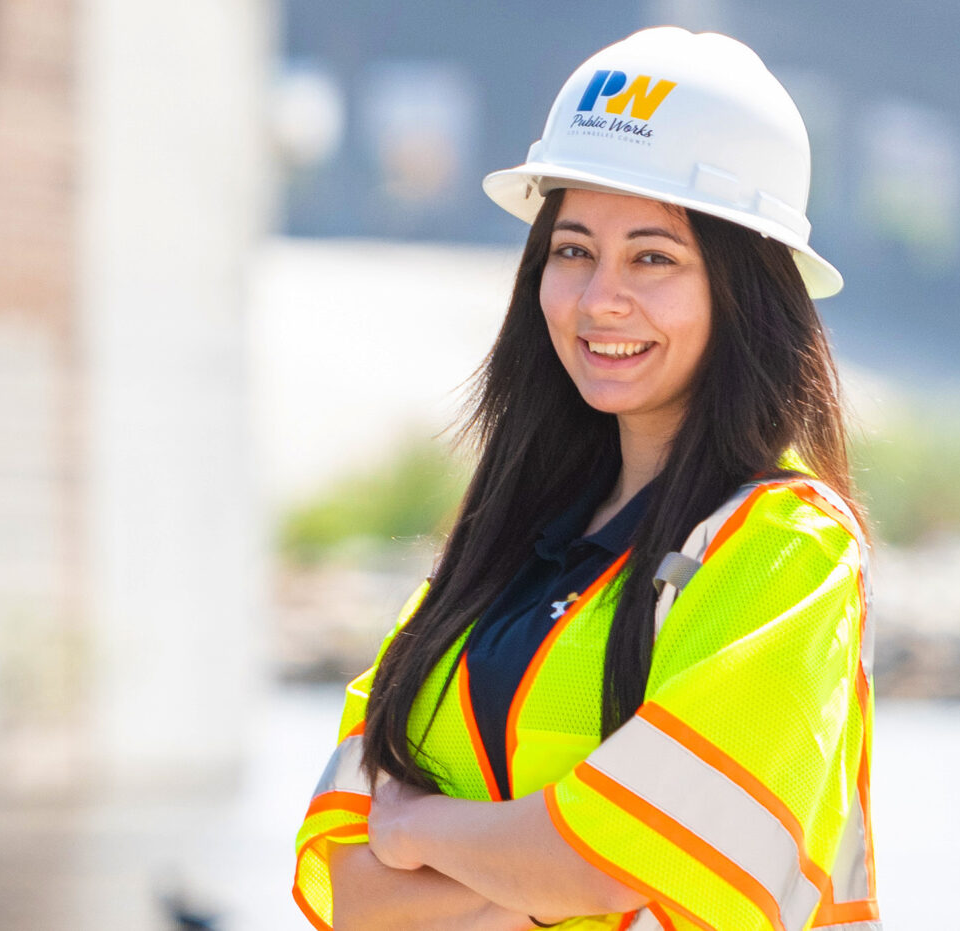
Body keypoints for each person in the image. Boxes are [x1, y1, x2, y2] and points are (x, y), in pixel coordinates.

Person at [293, 26, 877, 931]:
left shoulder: (786, 551)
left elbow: (602, 869)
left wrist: (421, 828)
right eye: (573, 250)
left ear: (747, 289)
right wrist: (536, 869)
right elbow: (350, 880)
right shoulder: (503, 543)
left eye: (654, 257)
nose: (601, 296)